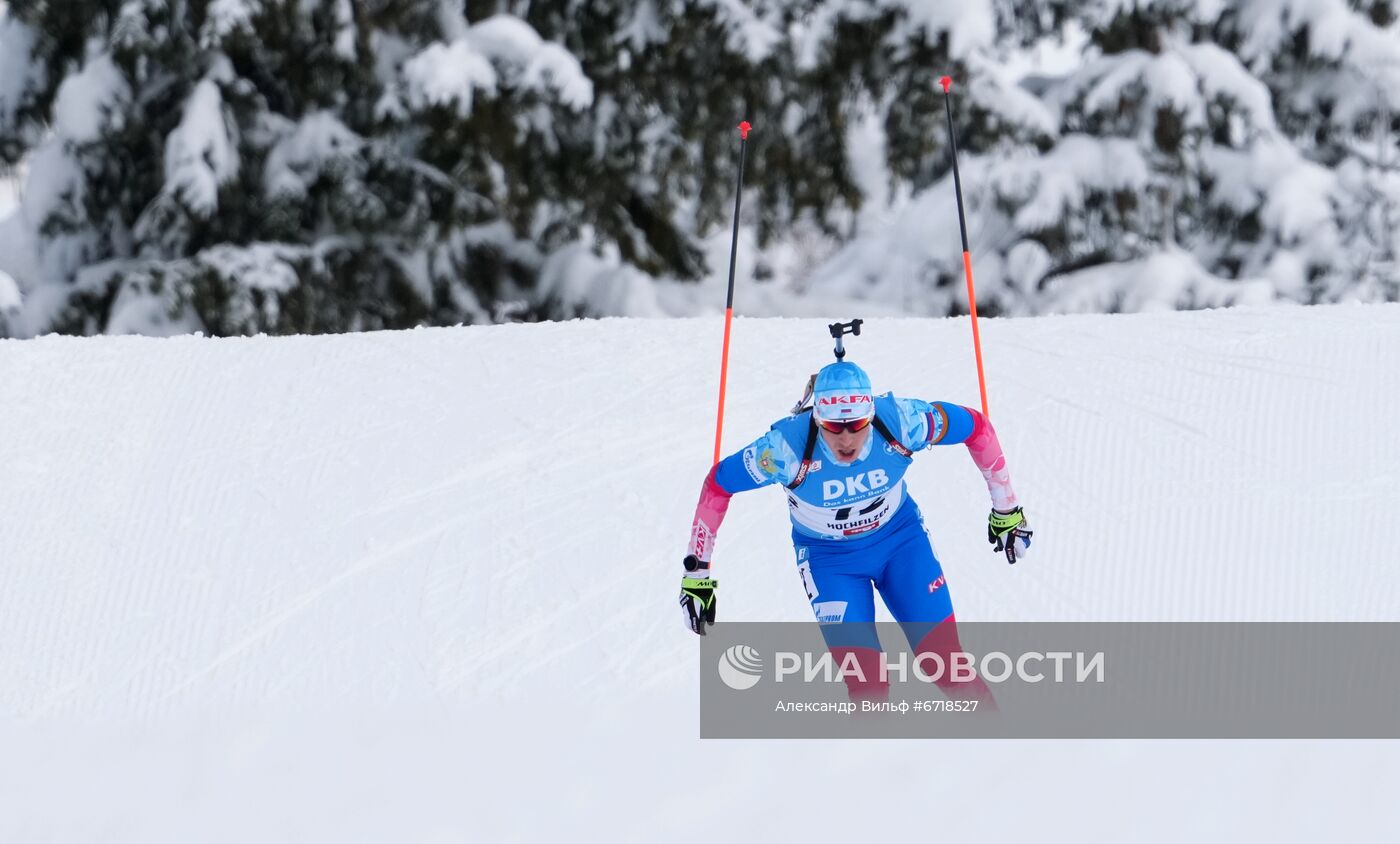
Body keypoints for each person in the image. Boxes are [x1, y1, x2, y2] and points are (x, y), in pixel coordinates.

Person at [678, 356, 1032, 703]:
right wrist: (697, 573)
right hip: (829, 561)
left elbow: (977, 427)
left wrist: (1007, 509)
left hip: (900, 543)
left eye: (857, 425)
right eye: (833, 426)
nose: (846, 439)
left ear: (871, 415)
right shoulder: (784, 449)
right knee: (868, 685)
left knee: (946, 664)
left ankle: (1001, 750)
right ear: (816, 417)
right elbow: (718, 484)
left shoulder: (903, 422)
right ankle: (870, 762)